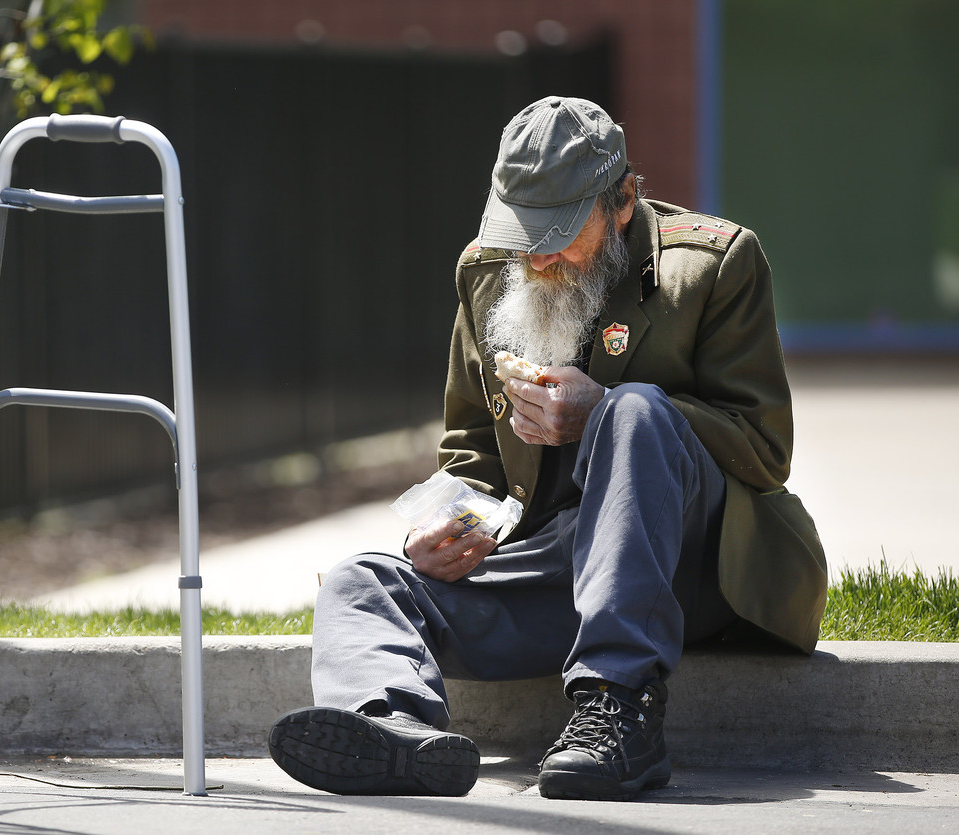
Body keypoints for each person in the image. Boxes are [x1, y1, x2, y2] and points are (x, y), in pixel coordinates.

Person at [266, 96, 826, 802]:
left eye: (558, 231)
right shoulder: (486, 272)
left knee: (635, 412)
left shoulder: (717, 265)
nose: (536, 254)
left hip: (695, 567)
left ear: (622, 201)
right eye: (521, 229)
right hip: (561, 566)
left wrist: (598, 411)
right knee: (362, 579)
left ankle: (620, 708)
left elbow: (765, 448)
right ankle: (391, 728)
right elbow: (471, 449)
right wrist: (448, 525)